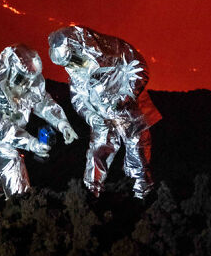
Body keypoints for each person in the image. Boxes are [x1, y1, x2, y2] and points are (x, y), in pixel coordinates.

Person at [0, 44, 78, 220]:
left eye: (32, 78)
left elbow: (43, 104)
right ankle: (23, 212)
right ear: (10, 71)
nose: (27, 84)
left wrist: (62, 124)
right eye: (22, 79)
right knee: (12, 161)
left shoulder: (28, 83)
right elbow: (4, 129)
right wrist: (32, 144)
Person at [48, 25, 161, 200]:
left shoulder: (114, 50)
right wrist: (92, 117)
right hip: (102, 118)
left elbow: (139, 67)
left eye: (71, 59)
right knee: (97, 154)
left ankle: (142, 196)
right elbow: (78, 99)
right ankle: (90, 196)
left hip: (128, 113)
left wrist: (124, 97)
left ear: (78, 46)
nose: (70, 65)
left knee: (137, 153)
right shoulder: (75, 72)